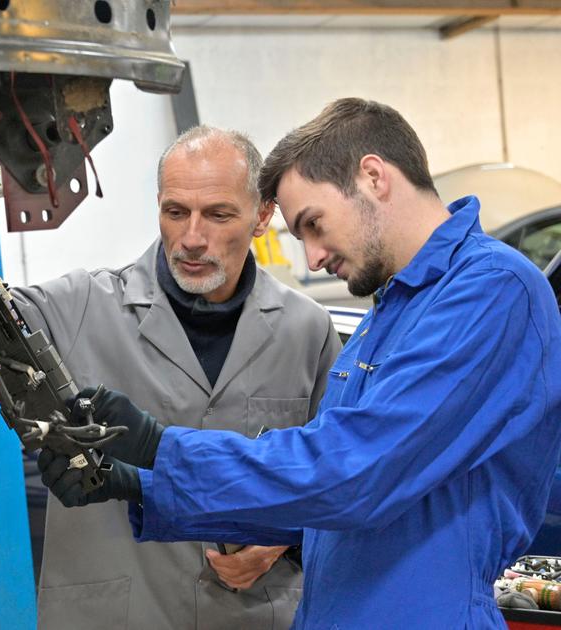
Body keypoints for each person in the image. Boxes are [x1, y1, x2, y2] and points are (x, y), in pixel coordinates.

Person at [41, 98, 561, 628]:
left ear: (374, 177)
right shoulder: (386, 316)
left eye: (314, 223)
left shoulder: (493, 291)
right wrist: (136, 483)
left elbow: (353, 471)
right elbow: (316, 502)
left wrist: (160, 447)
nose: (312, 258)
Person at [0, 126, 341, 629]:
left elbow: (342, 481)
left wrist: (282, 539)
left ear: (261, 216)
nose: (193, 238)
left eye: (218, 214)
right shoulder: (82, 306)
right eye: (175, 213)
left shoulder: (307, 332)